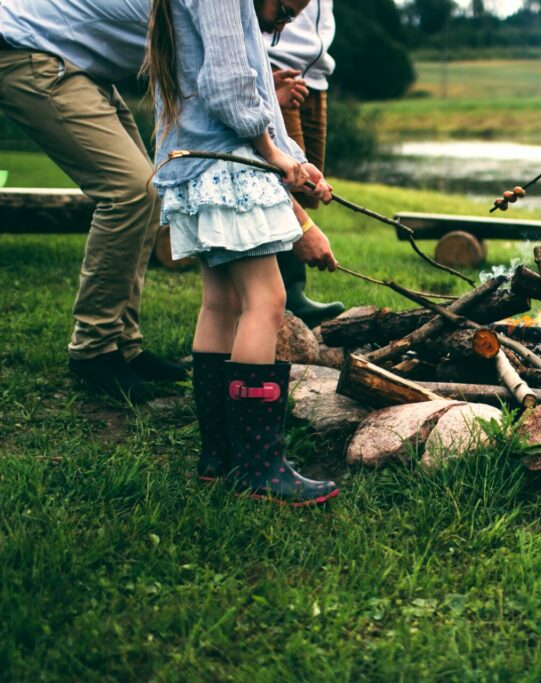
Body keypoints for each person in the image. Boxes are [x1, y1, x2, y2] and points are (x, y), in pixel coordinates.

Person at [145, 0, 340, 506]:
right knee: (266, 302)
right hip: (224, 166)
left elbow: (250, 97)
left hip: (196, 162)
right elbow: (229, 86)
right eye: (286, 6)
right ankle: (259, 466)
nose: (288, 20)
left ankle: (220, 456)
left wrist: (297, 163)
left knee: (222, 304)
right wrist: (277, 158)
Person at [0, 0, 188, 401]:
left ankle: (124, 343)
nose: (278, 27)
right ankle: (93, 349)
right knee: (130, 191)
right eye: (282, 13)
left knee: (148, 191)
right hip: (31, 49)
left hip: (79, 63)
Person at [265, 0, 346, 327]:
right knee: (281, 178)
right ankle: (286, 290)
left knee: (307, 184)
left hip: (316, 73)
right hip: (277, 64)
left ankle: (288, 289)